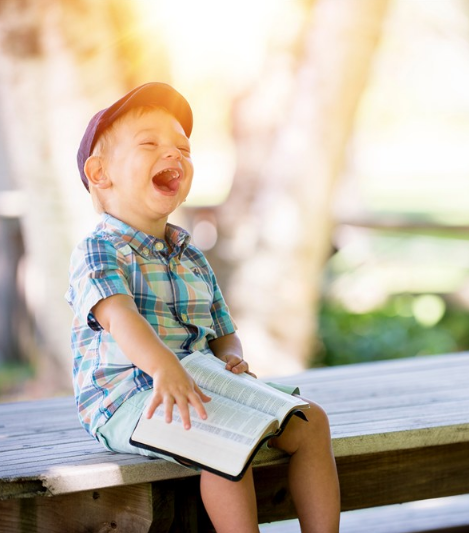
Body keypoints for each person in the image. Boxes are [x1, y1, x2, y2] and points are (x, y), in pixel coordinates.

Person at [65, 82, 340, 532]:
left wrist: (231, 355)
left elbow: (221, 328)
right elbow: (120, 317)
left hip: (198, 381)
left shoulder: (190, 254)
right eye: (150, 143)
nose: (173, 154)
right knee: (225, 437)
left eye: (183, 147)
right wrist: (164, 368)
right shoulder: (99, 250)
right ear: (100, 174)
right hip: (129, 398)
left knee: (311, 421)